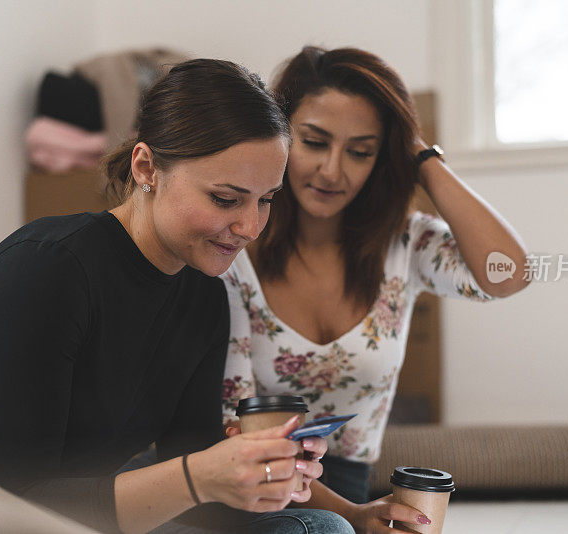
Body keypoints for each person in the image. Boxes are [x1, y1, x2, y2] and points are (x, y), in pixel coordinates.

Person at [0, 59, 353, 534]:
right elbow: (20, 498)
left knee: (317, 527)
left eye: (266, 199)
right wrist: (201, 477)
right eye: (226, 199)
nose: (249, 228)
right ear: (147, 168)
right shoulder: (46, 269)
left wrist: (263, 476)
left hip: (84, 517)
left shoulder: (205, 297)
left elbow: (197, 493)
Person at [221, 46, 530, 533]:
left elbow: (508, 274)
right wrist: (353, 516)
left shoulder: (404, 245)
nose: (332, 171)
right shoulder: (233, 250)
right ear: (279, 134)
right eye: (314, 142)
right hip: (242, 480)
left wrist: (422, 157)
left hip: (345, 478)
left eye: (360, 151)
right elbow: (231, 435)